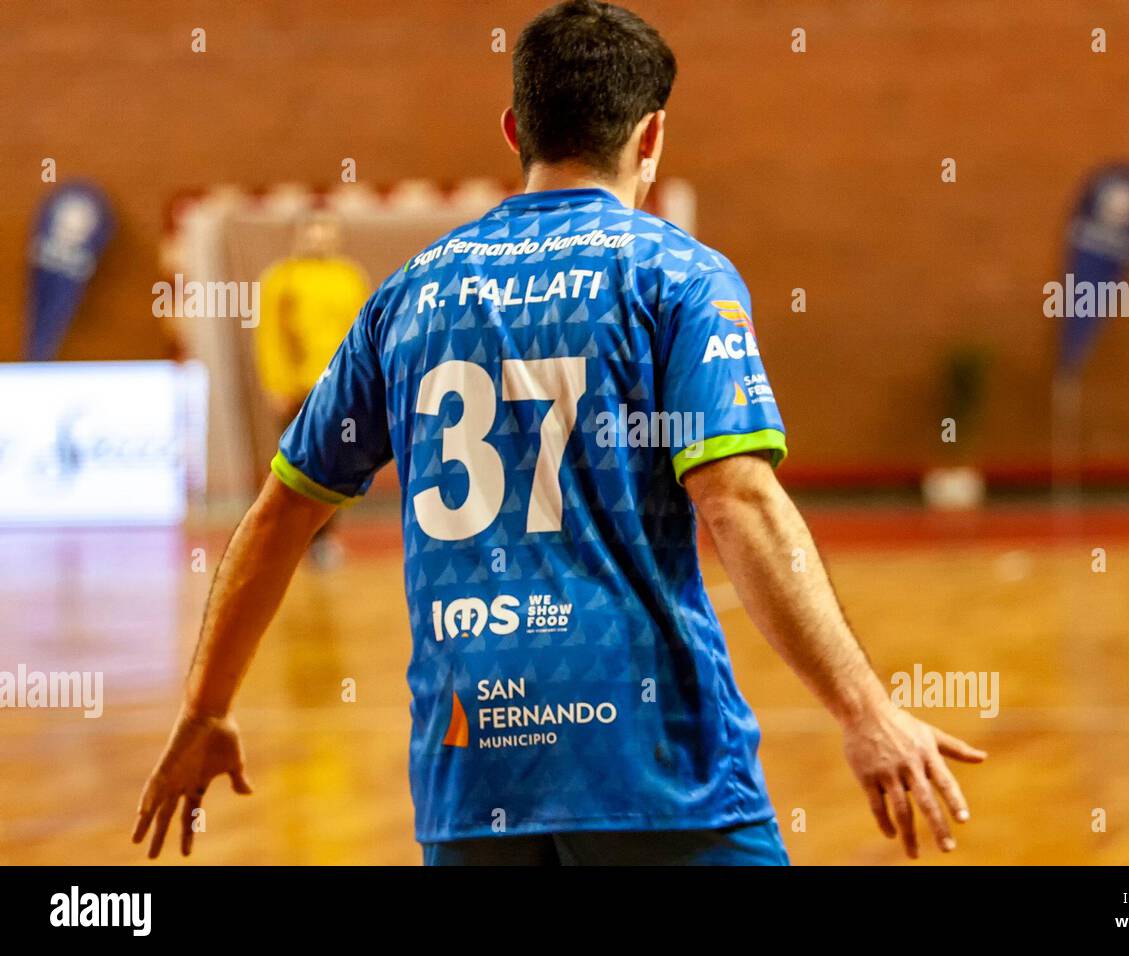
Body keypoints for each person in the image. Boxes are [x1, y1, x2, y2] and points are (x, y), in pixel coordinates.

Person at [133, 0, 985, 866]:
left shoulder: (405, 296)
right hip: (658, 776)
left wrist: (205, 709)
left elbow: (281, 512)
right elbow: (738, 501)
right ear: (651, 137)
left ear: (514, 129)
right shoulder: (676, 276)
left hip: (472, 781)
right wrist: (865, 711)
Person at [254, 211, 370, 567]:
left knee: (336, 468)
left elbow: (363, 333)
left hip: (341, 388)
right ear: (299, 236)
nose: (319, 239)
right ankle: (285, 540)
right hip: (299, 391)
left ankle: (325, 539)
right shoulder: (281, 279)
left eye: (326, 233)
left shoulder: (350, 277)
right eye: (312, 233)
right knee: (294, 470)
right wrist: (276, 385)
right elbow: (270, 337)